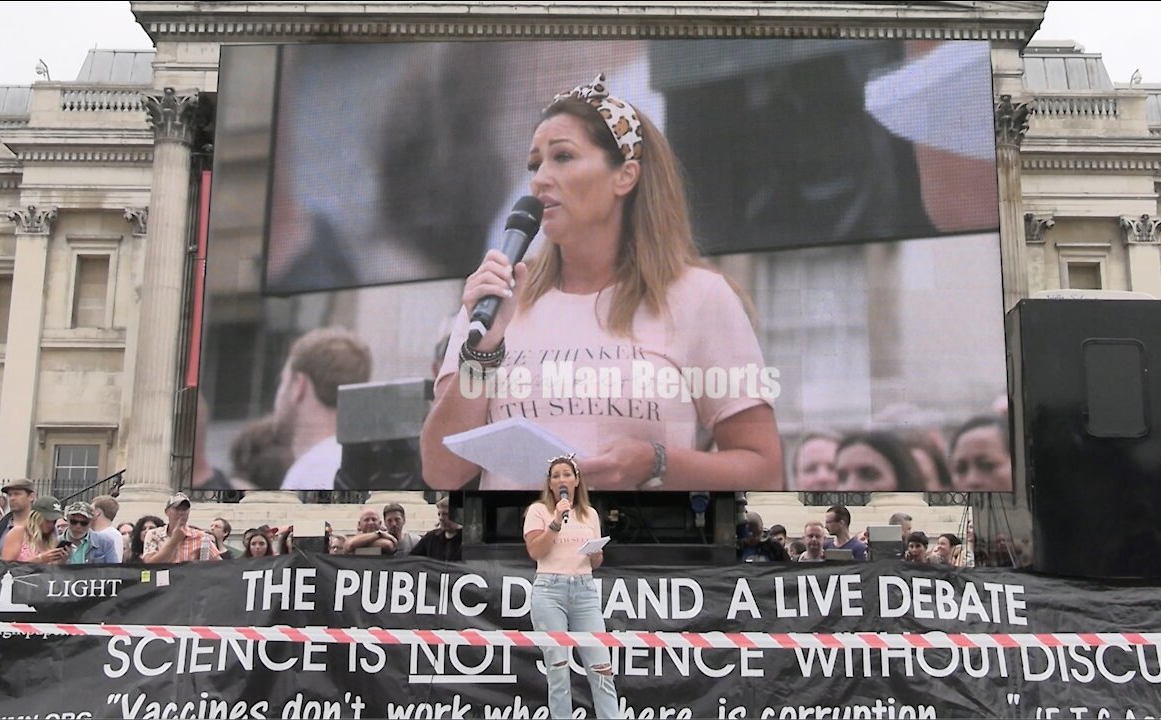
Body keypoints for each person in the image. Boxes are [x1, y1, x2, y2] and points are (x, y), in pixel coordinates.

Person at [423, 73, 783, 492]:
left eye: (562, 157)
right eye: (535, 164)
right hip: (514, 551)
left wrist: (656, 463)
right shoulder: (497, 297)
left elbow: (765, 471)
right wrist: (481, 351)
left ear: (625, 176)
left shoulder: (699, 297)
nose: (539, 179)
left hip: (639, 553)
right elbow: (441, 472)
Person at [522, 455, 618, 719]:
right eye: (556, 475)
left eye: (567, 474)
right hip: (550, 590)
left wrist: (596, 555)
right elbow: (535, 551)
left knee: (601, 668)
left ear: (576, 480)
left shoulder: (590, 514)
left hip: (584, 591)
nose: (561, 479)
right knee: (558, 668)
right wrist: (555, 522)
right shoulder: (538, 511)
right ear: (550, 483)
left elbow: (596, 561)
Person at [275, 327, 372, 491]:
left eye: (282, 382)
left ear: (299, 385)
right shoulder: (364, 465)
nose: (279, 394)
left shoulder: (311, 473)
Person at [0, 496, 67, 564]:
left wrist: (60, 562)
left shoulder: (52, 539)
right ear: (36, 517)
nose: (51, 525)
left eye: (54, 521)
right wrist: (39, 559)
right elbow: (5, 568)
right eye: (47, 520)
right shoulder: (19, 532)